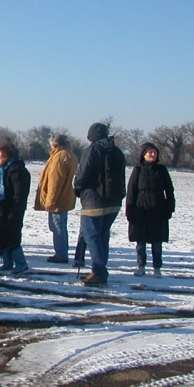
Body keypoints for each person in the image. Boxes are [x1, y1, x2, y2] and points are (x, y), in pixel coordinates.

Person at [74, 123, 126, 287]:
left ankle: (99, 272)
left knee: (91, 236)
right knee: (103, 235)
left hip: (93, 201)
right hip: (114, 201)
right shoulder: (117, 151)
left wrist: (78, 189)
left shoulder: (91, 150)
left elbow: (82, 174)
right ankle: (101, 267)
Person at [126, 143, 175, 278]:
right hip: (141, 209)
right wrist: (129, 210)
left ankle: (157, 267)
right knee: (140, 240)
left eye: (154, 152)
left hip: (158, 209)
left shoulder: (162, 170)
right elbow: (131, 191)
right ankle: (141, 265)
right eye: (149, 152)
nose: (152, 155)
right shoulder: (138, 170)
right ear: (144, 154)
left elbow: (169, 190)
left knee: (157, 241)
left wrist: (169, 208)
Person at [34, 133, 79, 264]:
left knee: (57, 226)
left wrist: (50, 201)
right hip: (66, 197)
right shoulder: (70, 155)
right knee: (61, 225)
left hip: (58, 200)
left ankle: (61, 254)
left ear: (54, 145)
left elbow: (55, 182)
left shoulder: (59, 157)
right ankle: (62, 251)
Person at [0, 142, 30, 274]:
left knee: (13, 238)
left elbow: (19, 194)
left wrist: (15, 210)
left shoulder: (17, 170)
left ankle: (21, 264)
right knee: (3, 237)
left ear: (6, 156)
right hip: (2, 209)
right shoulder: (1, 169)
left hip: (13, 209)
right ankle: (7, 263)